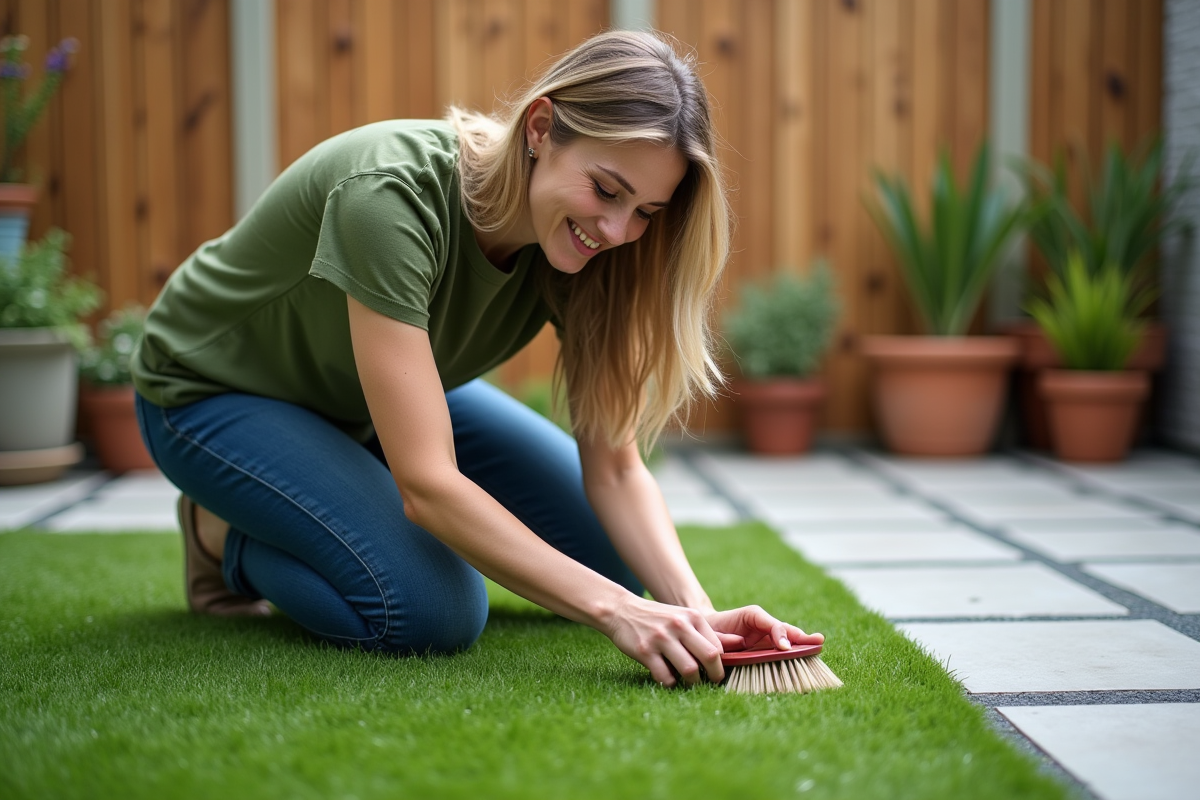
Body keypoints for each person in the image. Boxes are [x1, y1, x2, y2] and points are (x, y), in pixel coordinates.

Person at [132, 30, 823, 688]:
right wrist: (620, 614)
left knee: (606, 558)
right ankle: (222, 534)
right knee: (432, 610)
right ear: (541, 128)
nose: (617, 231)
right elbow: (428, 485)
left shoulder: (595, 252)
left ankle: (337, 475)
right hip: (211, 393)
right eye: (608, 190)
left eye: (647, 212)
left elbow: (614, 466)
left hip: (364, 397)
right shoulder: (391, 194)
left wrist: (692, 614)